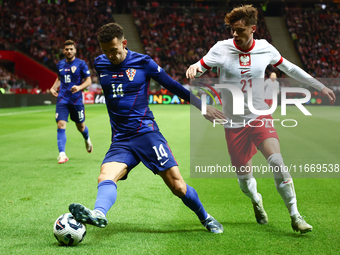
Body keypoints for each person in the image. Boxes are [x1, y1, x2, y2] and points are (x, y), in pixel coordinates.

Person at [186, 5, 336, 234]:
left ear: (253, 28)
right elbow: (200, 67)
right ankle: (256, 200)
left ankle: (296, 216)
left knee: (277, 162)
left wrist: (320, 86)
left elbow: (291, 68)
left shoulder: (265, 48)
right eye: (232, 30)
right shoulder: (221, 48)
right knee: (245, 181)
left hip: (259, 116)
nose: (234, 34)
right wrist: (195, 67)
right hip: (233, 123)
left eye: (240, 30)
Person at [68, 23, 224, 234]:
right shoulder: (100, 63)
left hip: (147, 134)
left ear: (124, 43)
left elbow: (173, 85)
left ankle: (206, 218)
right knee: (105, 176)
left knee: (178, 187)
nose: (110, 56)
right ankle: (99, 214)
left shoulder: (143, 63)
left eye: (114, 50)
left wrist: (202, 107)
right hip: (121, 139)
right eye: (106, 51)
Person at [50, 40, 93, 164]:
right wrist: (53, 87)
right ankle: (62, 154)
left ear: (75, 50)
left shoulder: (81, 64)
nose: (69, 51)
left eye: (71, 49)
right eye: (66, 49)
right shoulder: (60, 64)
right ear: (63, 51)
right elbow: (59, 78)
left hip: (76, 100)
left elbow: (88, 81)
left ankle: (87, 139)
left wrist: (79, 87)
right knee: (60, 124)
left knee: (81, 127)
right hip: (63, 99)